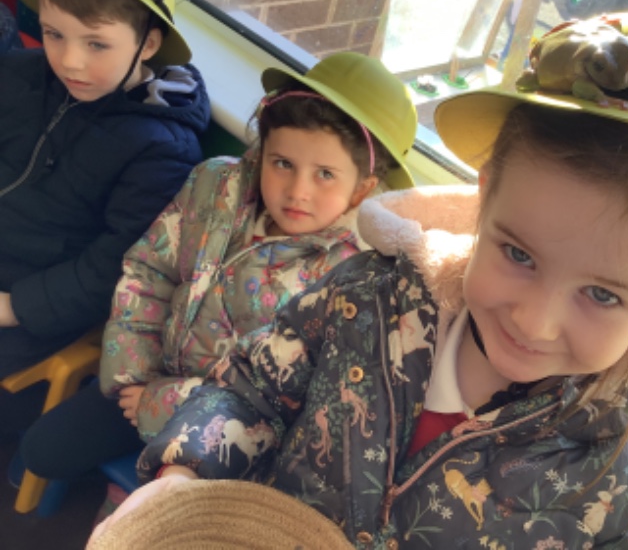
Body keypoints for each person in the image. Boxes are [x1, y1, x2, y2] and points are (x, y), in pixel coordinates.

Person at [91, 9, 628, 548]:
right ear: (484, 200)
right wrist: (185, 472)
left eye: (603, 294)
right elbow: (252, 386)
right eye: (518, 254)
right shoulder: (365, 297)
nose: (534, 321)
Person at [20, 51, 417, 509]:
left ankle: (131, 496)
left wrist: (163, 403)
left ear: (363, 187)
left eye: (325, 174)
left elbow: (292, 401)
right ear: (263, 151)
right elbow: (149, 270)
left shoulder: (356, 275)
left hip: (232, 432)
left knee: (163, 516)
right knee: (42, 450)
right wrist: (134, 375)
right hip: (150, 374)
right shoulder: (216, 184)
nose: (297, 191)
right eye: (282, 163)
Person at [0, 0, 209, 408]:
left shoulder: (161, 148)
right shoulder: (22, 75)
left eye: (96, 44)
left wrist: (14, 307)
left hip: (37, 305)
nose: (70, 61)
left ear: (147, 45)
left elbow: (115, 269)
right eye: (54, 34)